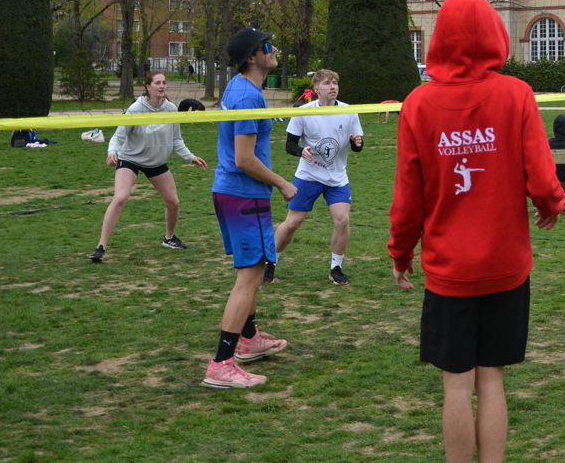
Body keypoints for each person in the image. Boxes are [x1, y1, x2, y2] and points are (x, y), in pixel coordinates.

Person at [388, 0, 564, 463]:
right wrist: (551, 204)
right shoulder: (516, 95)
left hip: (450, 269)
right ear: (494, 34)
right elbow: (543, 175)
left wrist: (400, 255)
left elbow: (407, 199)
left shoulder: (417, 105)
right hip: (505, 263)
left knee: (456, 385)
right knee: (492, 379)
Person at [203, 28, 295, 390]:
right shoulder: (246, 98)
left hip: (232, 192)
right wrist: (282, 182)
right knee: (250, 277)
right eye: (268, 46)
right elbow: (244, 159)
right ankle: (222, 363)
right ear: (252, 58)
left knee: (252, 272)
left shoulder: (241, 89)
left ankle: (250, 337)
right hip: (243, 194)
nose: (276, 49)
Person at [89, 71, 207, 263]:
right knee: (120, 198)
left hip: (156, 162)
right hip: (131, 159)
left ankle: (169, 238)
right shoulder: (136, 109)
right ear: (148, 87)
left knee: (174, 202)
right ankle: (100, 246)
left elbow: (176, 139)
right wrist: (112, 152)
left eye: (164, 83)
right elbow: (119, 136)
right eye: (157, 83)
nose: (162, 86)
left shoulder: (170, 109)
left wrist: (191, 157)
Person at [269, 69, 364, 285]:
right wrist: (300, 151)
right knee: (293, 222)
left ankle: (336, 267)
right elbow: (290, 144)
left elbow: (357, 145)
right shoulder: (304, 111)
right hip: (309, 176)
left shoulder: (349, 111)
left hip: (337, 177)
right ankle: (270, 262)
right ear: (316, 89)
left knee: (343, 220)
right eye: (327, 83)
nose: (333, 87)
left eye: (335, 83)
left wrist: (356, 143)